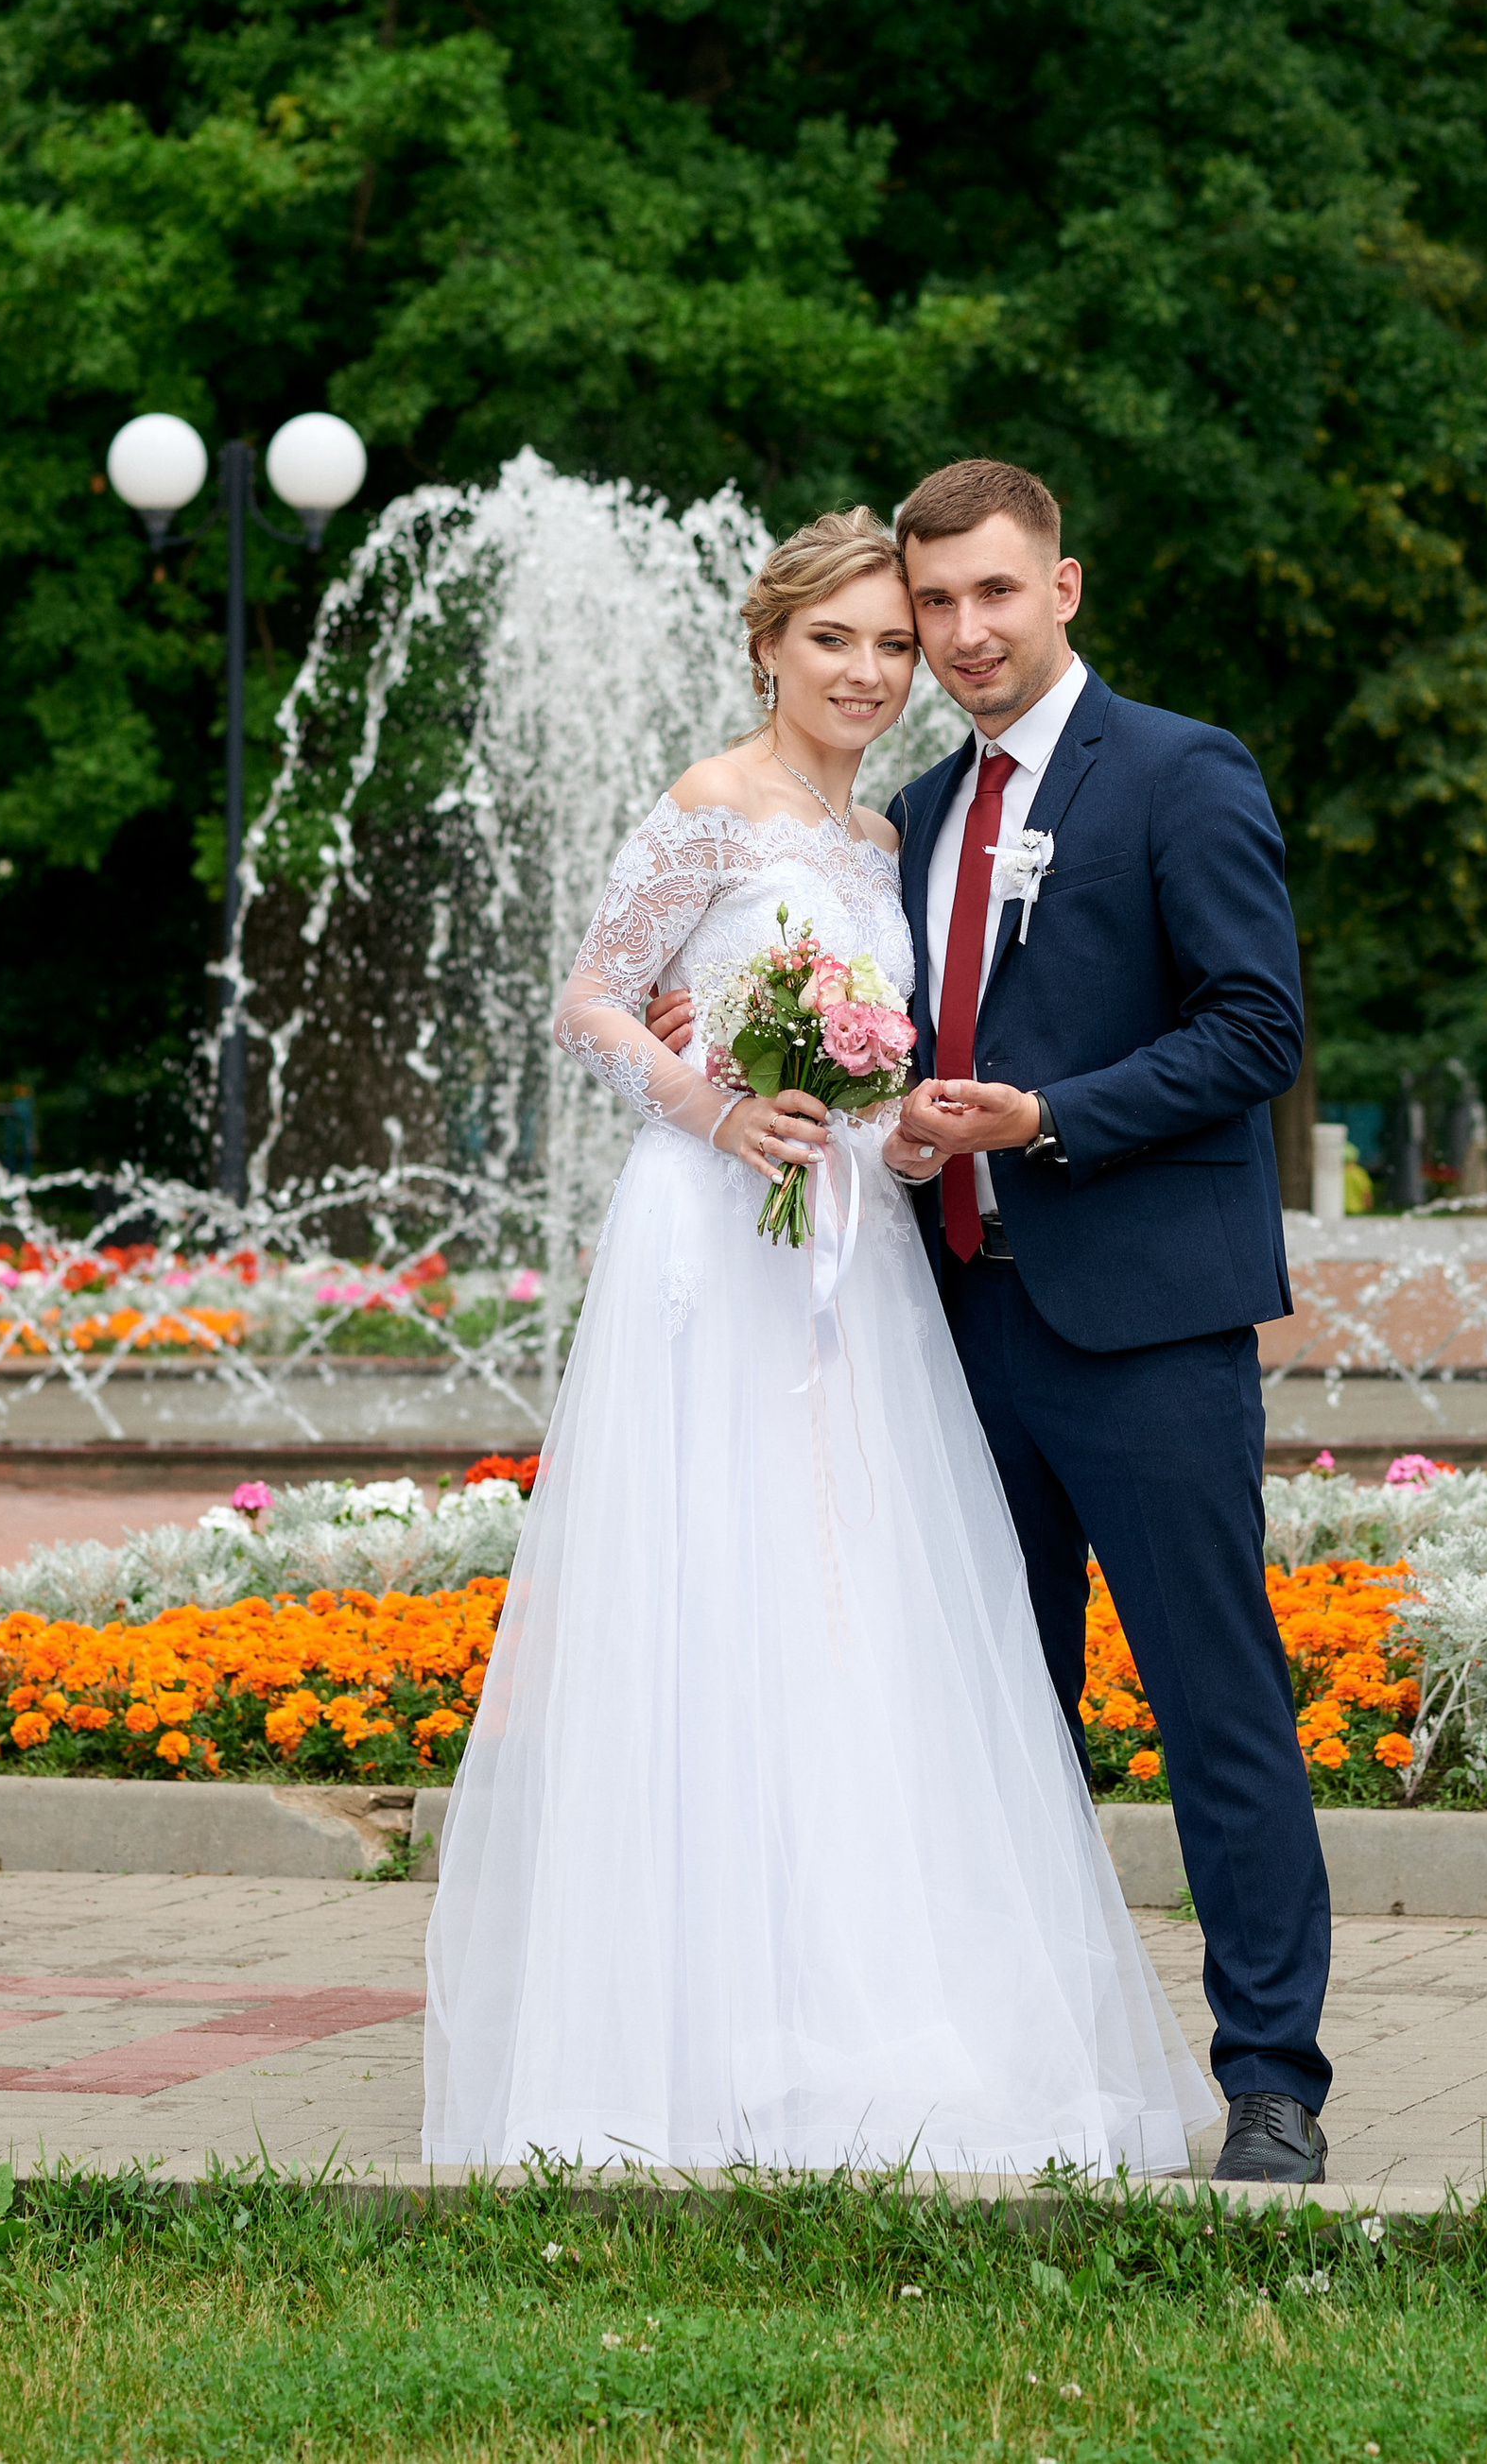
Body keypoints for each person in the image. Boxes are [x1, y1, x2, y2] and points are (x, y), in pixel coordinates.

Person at [423, 505, 1209, 2175]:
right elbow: (589, 1000)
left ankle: (863, 2010)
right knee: (720, 1596)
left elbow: (900, 1052)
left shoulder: (891, 837)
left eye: (893, 645)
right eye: (834, 639)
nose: (868, 670)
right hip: (717, 1241)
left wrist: (905, 1130)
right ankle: (687, 2034)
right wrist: (715, 1108)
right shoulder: (714, 807)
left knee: (862, 1611)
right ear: (768, 645)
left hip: (860, 1251)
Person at [883, 458, 1332, 2186]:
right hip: (955, 1326)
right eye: (937, 605)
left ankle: (1274, 2078)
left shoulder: (1179, 771)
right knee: (1001, 1716)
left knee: (1219, 1706)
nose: (965, 630)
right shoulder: (913, 818)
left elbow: (1254, 1029)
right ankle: (1024, 2067)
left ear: (1063, 589)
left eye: (995, 593)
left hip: (1144, 1329)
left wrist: (1046, 1117)